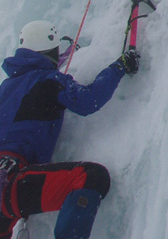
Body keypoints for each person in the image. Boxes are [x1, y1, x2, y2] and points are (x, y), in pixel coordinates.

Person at [0, 20, 140, 239]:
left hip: (5, 184)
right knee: (91, 177)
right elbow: (88, 101)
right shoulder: (50, 81)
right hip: (10, 186)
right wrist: (119, 66)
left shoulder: (6, 87)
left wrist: (66, 54)